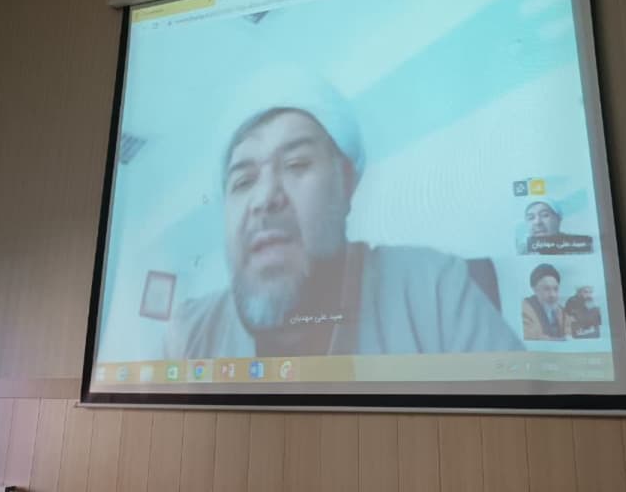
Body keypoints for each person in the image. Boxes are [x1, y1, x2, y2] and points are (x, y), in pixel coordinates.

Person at [163, 66, 524, 358]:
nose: (264, 198)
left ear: (346, 181)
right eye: (243, 181)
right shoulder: (191, 332)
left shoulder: (431, 289)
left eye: (296, 163)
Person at [518, 199, 593, 255]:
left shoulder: (580, 246)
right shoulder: (523, 251)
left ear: (558, 219)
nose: (537, 222)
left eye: (545, 215)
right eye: (531, 218)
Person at [521, 263, 569, 340]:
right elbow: (530, 336)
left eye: (556, 289)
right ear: (535, 290)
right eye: (546, 289)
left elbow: (569, 334)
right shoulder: (525, 310)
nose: (552, 295)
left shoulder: (561, 311)